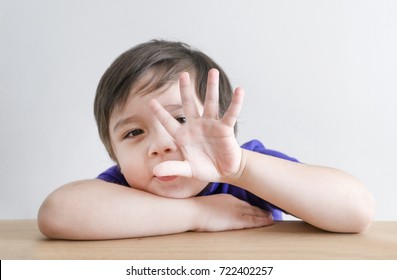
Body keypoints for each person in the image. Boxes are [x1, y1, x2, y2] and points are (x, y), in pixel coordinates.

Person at [38, 40, 375, 240]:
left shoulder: (245, 170)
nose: (160, 144)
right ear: (114, 154)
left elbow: (357, 211)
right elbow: (56, 214)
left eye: (181, 119)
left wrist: (241, 169)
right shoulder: (124, 188)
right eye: (133, 133)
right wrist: (199, 213)